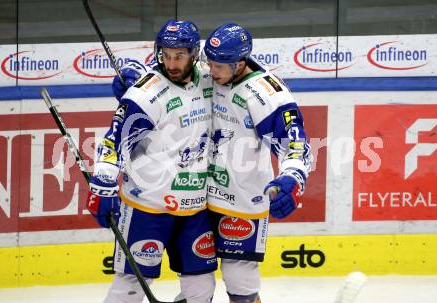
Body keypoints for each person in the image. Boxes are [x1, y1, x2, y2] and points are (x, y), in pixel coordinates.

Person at [86, 20, 217, 303]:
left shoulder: (210, 77)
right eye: (166, 55)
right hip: (148, 206)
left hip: (195, 208)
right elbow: (113, 140)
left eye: (179, 55)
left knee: (202, 289)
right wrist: (104, 181)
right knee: (130, 287)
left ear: (195, 54)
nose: (172, 62)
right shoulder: (144, 95)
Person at [203, 23, 312, 303]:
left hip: (242, 199)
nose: (211, 71)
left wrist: (293, 178)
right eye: (209, 63)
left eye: (219, 66)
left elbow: (296, 143)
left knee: (240, 284)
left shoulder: (266, 95)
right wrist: (132, 75)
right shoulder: (212, 71)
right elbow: (169, 66)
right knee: (195, 280)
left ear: (239, 64)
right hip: (196, 195)